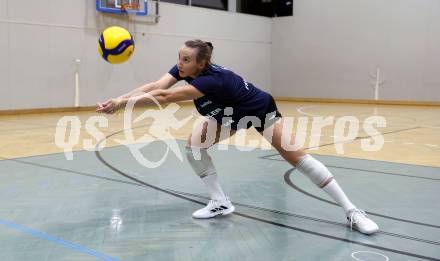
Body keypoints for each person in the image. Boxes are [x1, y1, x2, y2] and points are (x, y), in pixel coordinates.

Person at [97, 39, 379, 235]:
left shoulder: (211, 80)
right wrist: (120, 98)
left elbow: (165, 96)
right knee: (194, 147)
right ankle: (220, 202)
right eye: (179, 58)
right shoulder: (187, 69)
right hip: (225, 114)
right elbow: (157, 85)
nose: (179, 64)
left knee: (297, 158)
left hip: (256, 109)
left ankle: (353, 211)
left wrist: (122, 105)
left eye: (186, 60)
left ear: (202, 63)